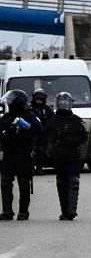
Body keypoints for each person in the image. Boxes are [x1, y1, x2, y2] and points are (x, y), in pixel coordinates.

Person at [45, 91, 88, 220]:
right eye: (61, 103)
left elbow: (83, 137)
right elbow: (46, 136)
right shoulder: (53, 120)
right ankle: (65, 210)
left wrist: (69, 139)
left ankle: (71, 210)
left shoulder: (75, 120)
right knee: (62, 182)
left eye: (65, 102)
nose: (63, 105)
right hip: (59, 155)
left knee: (73, 182)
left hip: (72, 155)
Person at [0, 90, 38, 220]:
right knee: (5, 182)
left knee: (24, 183)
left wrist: (25, 128)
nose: (9, 102)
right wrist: (7, 132)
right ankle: (7, 211)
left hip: (23, 154)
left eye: (12, 99)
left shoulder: (29, 116)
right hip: (9, 154)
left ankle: (23, 211)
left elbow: (39, 130)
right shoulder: (7, 117)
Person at [29, 90, 52, 173]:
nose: (39, 101)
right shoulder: (30, 109)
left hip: (44, 133)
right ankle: (32, 168)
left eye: (41, 99)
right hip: (33, 134)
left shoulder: (47, 109)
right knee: (33, 151)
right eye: (37, 99)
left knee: (42, 151)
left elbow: (52, 119)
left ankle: (39, 168)